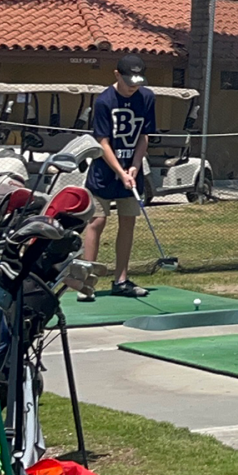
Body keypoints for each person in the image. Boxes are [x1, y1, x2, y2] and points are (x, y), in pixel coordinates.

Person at [80, 54, 157, 301]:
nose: (133, 86)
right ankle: (86, 283)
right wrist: (119, 171)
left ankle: (121, 280)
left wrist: (135, 166)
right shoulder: (104, 101)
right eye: (128, 81)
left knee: (128, 222)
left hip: (131, 171)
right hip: (104, 171)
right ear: (116, 75)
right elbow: (102, 142)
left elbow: (144, 135)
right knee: (97, 222)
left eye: (137, 81)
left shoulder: (146, 98)